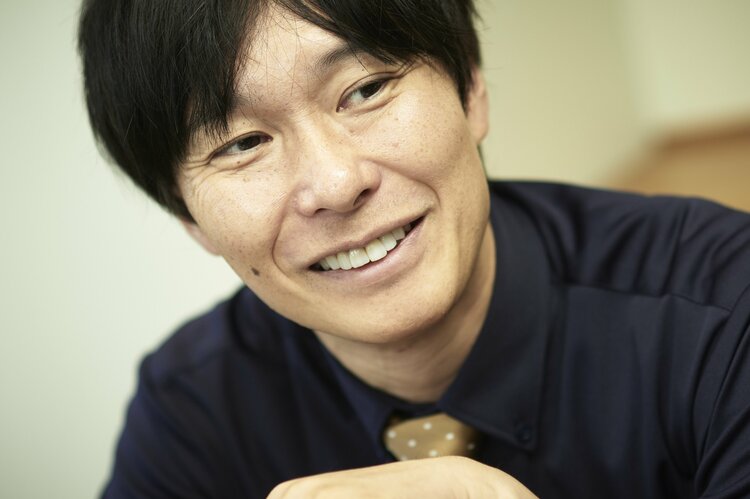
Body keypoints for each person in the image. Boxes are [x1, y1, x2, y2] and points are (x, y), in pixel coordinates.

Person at [78, 0, 750, 497]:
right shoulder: (192, 408)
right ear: (188, 217)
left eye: (366, 89)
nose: (336, 183)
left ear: (471, 89)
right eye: (243, 143)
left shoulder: (723, 305)